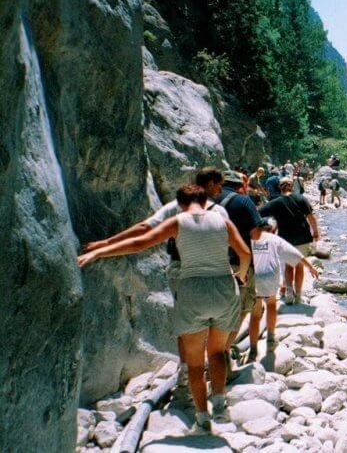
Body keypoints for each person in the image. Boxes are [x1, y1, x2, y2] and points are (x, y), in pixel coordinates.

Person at [79, 184, 249, 432]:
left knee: (194, 363)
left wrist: (100, 252)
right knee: (217, 353)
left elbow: (141, 243)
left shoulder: (178, 221)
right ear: (205, 201)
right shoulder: (223, 220)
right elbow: (244, 252)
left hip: (192, 289)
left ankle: (202, 419)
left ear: (180, 203)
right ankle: (221, 405)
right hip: (225, 287)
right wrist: (240, 276)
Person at [82, 167, 229, 388]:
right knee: (215, 328)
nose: (220, 189)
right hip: (217, 275)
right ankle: (217, 388)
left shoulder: (176, 209)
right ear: (209, 184)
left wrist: (105, 245)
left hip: (183, 272)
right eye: (218, 184)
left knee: (187, 326)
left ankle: (187, 374)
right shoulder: (220, 213)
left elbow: (143, 232)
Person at [249, 217, 319, 356]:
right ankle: (270, 339)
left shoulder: (251, 237)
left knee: (255, 314)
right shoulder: (276, 239)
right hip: (270, 276)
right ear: (274, 230)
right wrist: (310, 267)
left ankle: (253, 348)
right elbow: (295, 254)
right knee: (270, 305)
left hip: (254, 276)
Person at [215, 170, 262, 367]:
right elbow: (256, 235)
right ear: (239, 185)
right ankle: (222, 354)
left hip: (210, 263)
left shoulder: (207, 201)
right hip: (238, 264)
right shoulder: (244, 202)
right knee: (240, 310)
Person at [259, 177, 320, 304]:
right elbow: (311, 216)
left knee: (288, 266)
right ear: (292, 186)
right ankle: (298, 296)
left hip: (286, 237)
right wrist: (316, 232)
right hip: (303, 236)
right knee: (299, 266)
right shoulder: (301, 198)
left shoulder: (276, 202)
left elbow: (259, 213)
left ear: (279, 188)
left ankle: (288, 294)